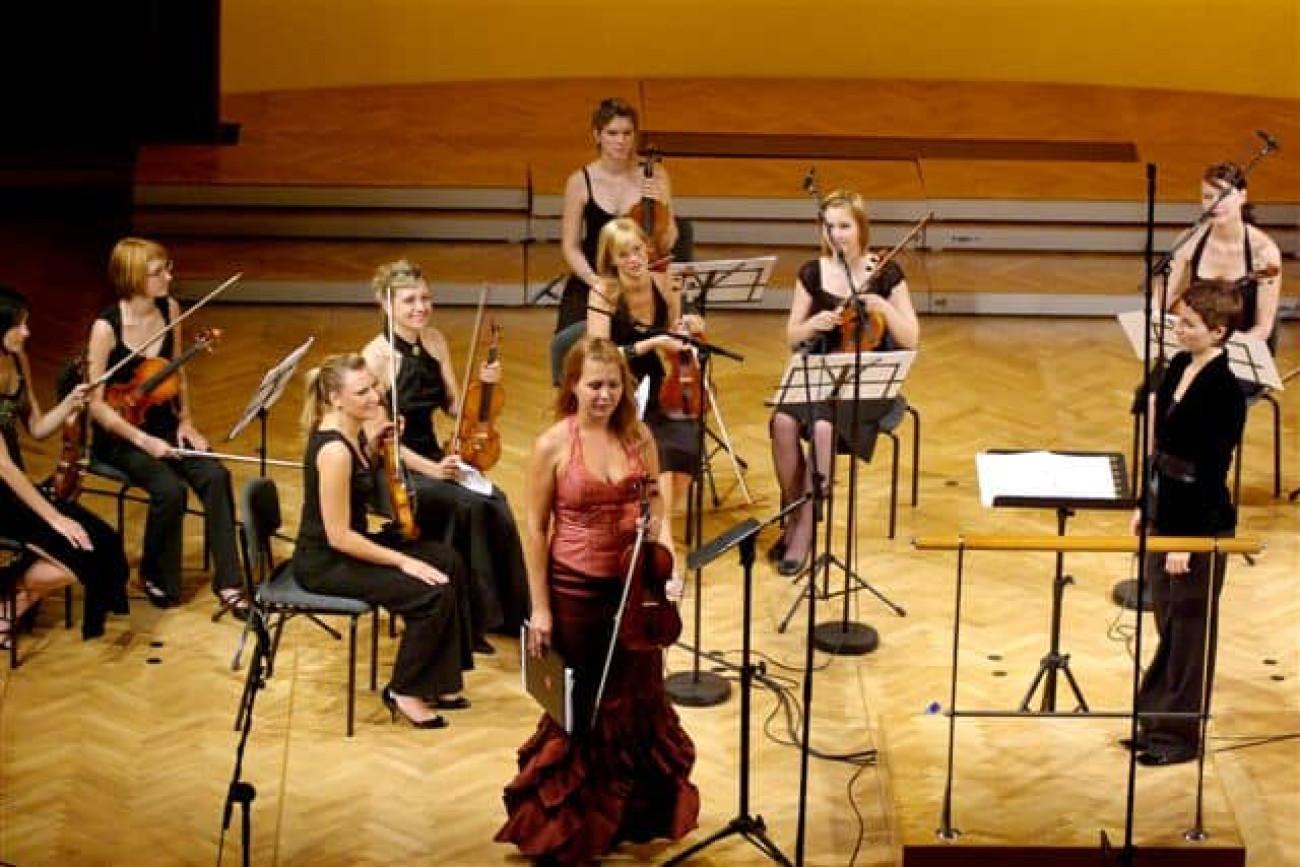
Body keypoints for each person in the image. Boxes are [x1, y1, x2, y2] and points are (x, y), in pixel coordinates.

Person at [496, 337, 697, 863]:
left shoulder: (639, 436)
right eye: (594, 385)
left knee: (639, 701)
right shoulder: (552, 445)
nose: (604, 395)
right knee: (584, 710)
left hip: (633, 591)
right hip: (575, 593)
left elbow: (657, 507)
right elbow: (535, 531)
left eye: (613, 385)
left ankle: (631, 819)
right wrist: (540, 608)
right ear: (573, 386)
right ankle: (574, 830)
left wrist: (667, 566)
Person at [293, 353, 471, 729]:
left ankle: (438, 681)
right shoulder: (334, 451)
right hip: (326, 562)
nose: (375, 397)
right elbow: (338, 537)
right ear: (335, 399)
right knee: (431, 593)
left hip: (351, 546)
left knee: (447, 560)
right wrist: (404, 561)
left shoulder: (354, 432)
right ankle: (405, 689)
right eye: (362, 392)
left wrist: (379, 446)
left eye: (374, 386)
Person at [361, 260, 529, 652]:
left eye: (425, 298)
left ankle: (506, 614)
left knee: (495, 500)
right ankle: (466, 620)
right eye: (409, 300)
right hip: (395, 468)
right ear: (386, 304)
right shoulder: (375, 359)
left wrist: (484, 388)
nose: (421, 307)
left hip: (435, 455)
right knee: (464, 506)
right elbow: (381, 441)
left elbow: (454, 406)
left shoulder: (434, 341)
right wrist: (434, 470)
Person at [85, 238, 243, 613]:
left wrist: (186, 421)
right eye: (159, 273)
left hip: (164, 424)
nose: (169, 277)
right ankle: (155, 575)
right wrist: (143, 441)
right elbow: (95, 403)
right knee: (170, 490)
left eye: (167, 268)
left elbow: (177, 369)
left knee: (215, 476)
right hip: (121, 434)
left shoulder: (169, 308)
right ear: (133, 278)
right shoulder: (105, 328)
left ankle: (230, 582)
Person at [1126, 279, 1246, 767]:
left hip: (1199, 524)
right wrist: (1145, 504)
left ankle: (1179, 737)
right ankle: (1155, 721)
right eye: (1178, 320)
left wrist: (1186, 540)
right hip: (1165, 511)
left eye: (1189, 324)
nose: (1178, 329)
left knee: (1191, 633)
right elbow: (1161, 448)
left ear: (1218, 332)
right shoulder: (1178, 365)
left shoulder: (1226, 392)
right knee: (1169, 624)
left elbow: (1210, 470)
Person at [768, 189, 919, 575]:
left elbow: (911, 338)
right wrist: (812, 324)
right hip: (819, 376)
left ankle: (803, 530)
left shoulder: (885, 273)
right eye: (830, 226)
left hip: (866, 385)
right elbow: (792, 336)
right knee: (782, 421)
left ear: (861, 228)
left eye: (845, 226)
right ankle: (796, 513)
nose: (836, 235)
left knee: (823, 426)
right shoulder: (811, 273)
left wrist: (882, 306)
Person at [0, 286, 128, 644]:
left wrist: (71, 402)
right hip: (4, 491)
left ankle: (9, 601)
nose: (27, 332)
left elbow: (38, 428)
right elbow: (3, 466)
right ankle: (10, 604)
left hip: (16, 487)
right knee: (79, 552)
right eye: (19, 325)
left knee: (105, 543)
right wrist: (55, 517)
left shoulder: (18, 360)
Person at [587, 217, 703, 555]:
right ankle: (663, 552)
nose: (634, 260)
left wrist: (689, 329)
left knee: (688, 448)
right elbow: (599, 355)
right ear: (611, 259)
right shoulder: (603, 292)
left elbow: (676, 335)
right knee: (660, 457)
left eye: (637, 250)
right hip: (615, 388)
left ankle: (650, 525)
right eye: (624, 255)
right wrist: (650, 344)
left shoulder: (664, 283)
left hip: (657, 384)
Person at [550, 97, 679, 383]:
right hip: (593, 276)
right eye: (612, 133)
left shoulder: (656, 175)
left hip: (641, 276)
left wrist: (662, 203)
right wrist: (597, 282)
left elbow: (668, 241)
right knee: (574, 345)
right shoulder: (579, 181)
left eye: (627, 133)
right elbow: (570, 246)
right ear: (597, 135)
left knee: (681, 328)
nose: (621, 141)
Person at [1160, 162, 1282, 350]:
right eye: (1208, 197)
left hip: (1243, 348)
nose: (1215, 204)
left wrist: (1217, 353)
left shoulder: (1265, 252)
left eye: (1224, 195)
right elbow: (1161, 300)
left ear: (1242, 197)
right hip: (1197, 346)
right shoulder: (1189, 240)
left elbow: (1263, 328)